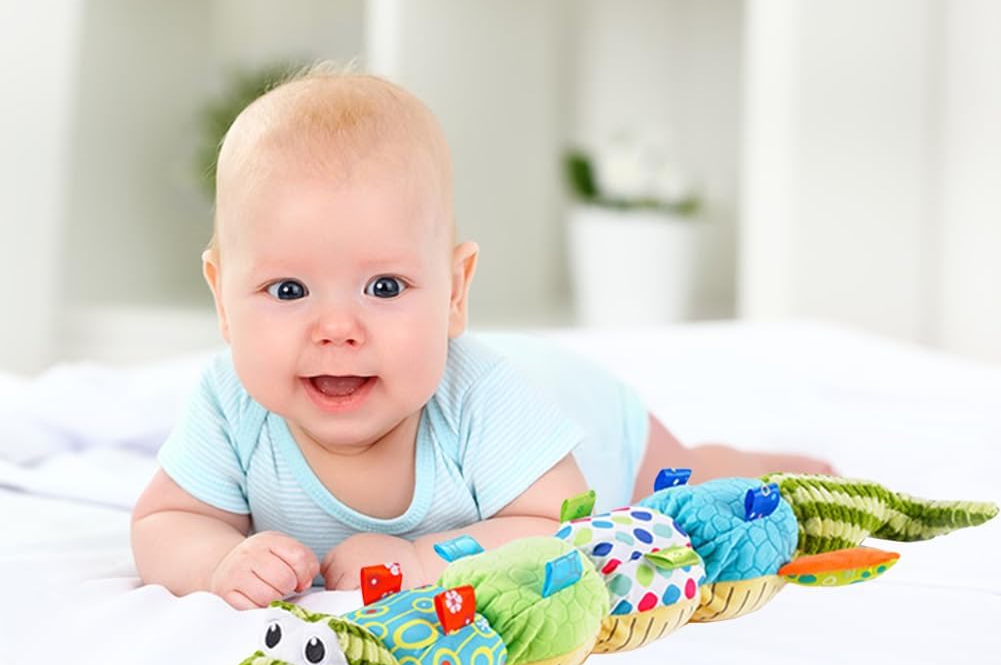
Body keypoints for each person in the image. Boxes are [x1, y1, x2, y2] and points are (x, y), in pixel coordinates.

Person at [131, 65, 832, 610]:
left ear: (454, 292)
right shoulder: (229, 403)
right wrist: (217, 562)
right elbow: (166, 520)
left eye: (384, 288)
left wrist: (424, 560)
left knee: (694, 486)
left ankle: (788, 466)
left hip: (591, 428)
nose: (337, 330)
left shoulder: (481, 399)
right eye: (288, 291)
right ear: (222, 299)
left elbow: (558, 530)